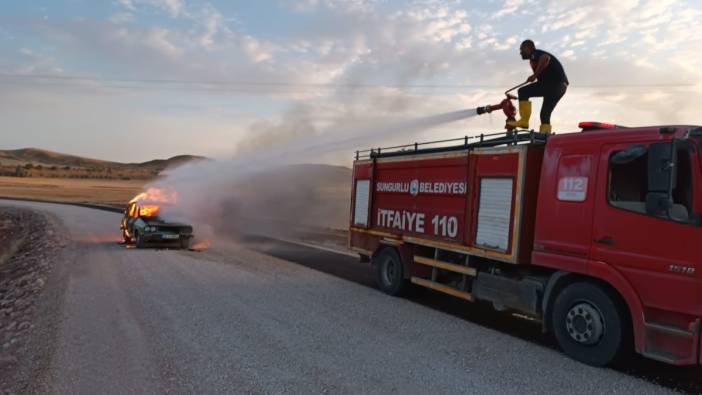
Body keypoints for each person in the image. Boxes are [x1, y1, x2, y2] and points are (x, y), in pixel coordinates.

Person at [507, 40, 569, 134]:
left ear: (528, 47)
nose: (520, 53)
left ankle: (524, 121)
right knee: (544, 114)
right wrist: (536, 77)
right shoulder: (534, 59)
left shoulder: (535, 54)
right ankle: (545, 136)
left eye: (522, 49)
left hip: (554, 84)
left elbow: (545, 58)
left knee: (523, 92)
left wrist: (535, 75)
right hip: (560, 88)